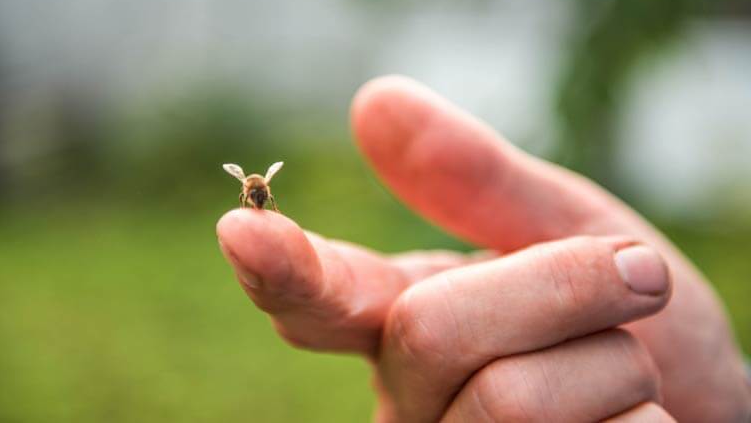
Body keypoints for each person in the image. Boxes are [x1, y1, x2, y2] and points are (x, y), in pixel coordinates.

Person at [216, 76, 751, 422]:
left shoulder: (266, 191)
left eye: (260, 196)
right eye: (255, 196)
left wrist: (724, 407)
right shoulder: (250, 193)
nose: (258, 198)